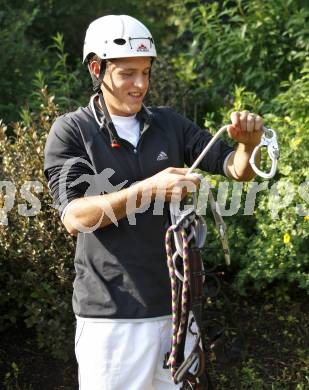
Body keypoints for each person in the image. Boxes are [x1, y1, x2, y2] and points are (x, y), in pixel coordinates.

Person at [44, 14, 262, 390]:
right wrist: (147, 190)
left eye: (145, 72)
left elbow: (236, 169)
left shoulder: (170, 124)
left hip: (177, 315)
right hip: (112, 323)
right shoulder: (72, 130)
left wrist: (249, 143)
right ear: (97, 69)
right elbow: (74, 217)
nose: (140, 84)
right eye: (128, 73)